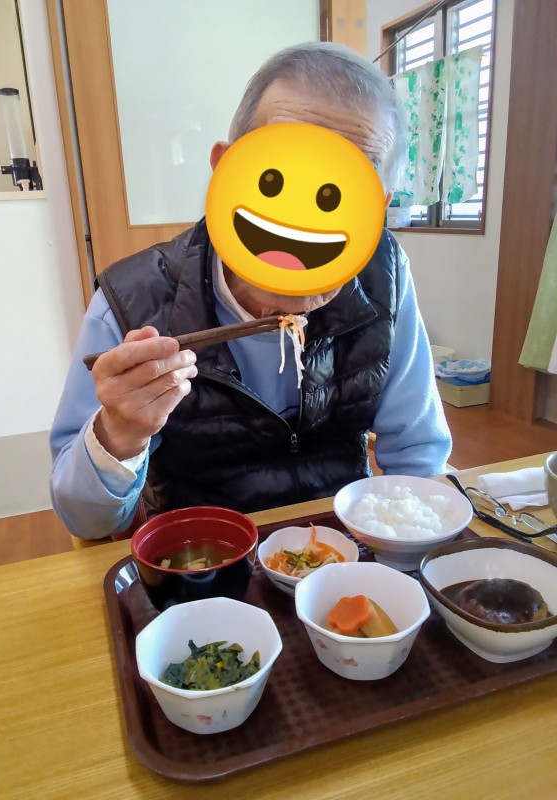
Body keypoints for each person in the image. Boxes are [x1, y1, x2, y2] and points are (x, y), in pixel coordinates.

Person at [50, 42, 451, 540]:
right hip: (201, 557)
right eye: (275, 178)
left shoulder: (384, 273)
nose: (300, 219)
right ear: (225, 169)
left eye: (336, 194)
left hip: (343, 547)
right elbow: (85, 520)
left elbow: (417, 454)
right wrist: (120, 434)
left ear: (377, 207)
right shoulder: (130, 301)